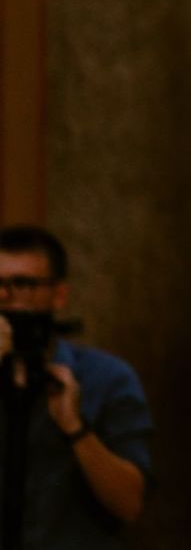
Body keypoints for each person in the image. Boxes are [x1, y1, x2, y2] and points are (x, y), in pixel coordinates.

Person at [0, 225, 150, 549]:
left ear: (58, 295)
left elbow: (129, 505)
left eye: (22, 284)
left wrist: (76, 429)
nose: (4, 297)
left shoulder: (106, 378)